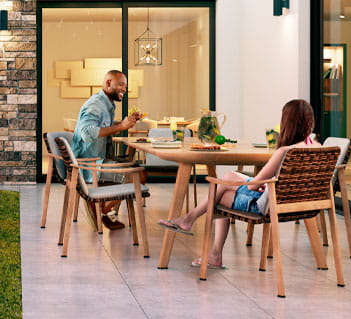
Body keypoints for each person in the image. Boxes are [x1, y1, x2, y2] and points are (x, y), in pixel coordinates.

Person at [158, 99, 321, 268]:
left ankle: (195, 228)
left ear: (287, 122)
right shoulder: (318, 147)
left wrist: (262, 184)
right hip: (300, 203)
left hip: (267, 206)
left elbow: (253, 186)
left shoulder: (285, 151)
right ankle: (191, 222)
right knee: (229, 177)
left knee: (219, 194)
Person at [72, 70, 144, 230]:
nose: (124, 89)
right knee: (136, 175)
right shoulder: (96, 104)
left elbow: (102, 127)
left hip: (98, 159)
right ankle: (101, 207)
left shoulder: (106, 104)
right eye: (120, 84)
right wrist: (121, 126)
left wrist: (124, 122)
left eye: (125, 86)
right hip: (89, 165)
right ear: (108, 83)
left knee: (138, 170)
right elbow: (87, 133)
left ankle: (103, 209)